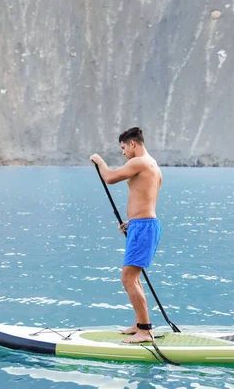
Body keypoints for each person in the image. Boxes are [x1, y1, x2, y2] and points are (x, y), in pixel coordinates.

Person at [90, 127, 162, 344]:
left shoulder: (139, 162)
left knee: (128, 278)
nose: (122, 153)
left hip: (144, 227)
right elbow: (146, 195)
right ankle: (140, 325)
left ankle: (146, 331)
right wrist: (134, 221)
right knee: (134, 277)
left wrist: (99, 161)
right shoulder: (153, 165)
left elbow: (110, 178)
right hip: (142, 225)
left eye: (123, 148)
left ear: (133, 144)